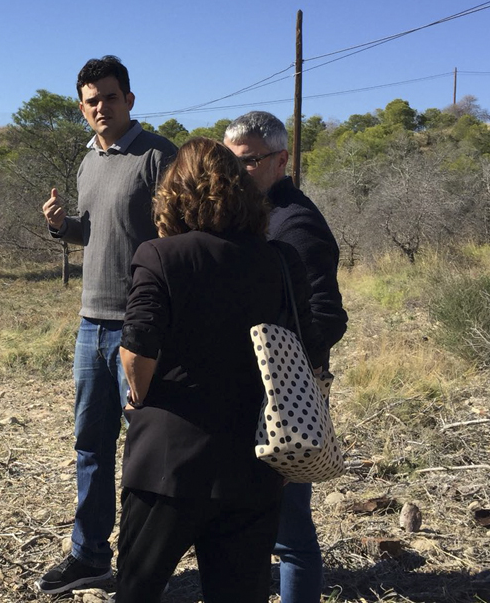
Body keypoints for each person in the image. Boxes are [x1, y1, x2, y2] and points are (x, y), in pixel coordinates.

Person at [116, 138, 325, 603]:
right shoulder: (281, 259)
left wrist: (139, 399)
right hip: (254, 461)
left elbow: (136, 349)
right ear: (243, 194)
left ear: (173, 195)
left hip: (167, 464)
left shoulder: (160, 255)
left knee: (138, 589)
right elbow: (310, 350)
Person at [37, 56, 177, 594]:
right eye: (92, 101)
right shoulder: (87, 162)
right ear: (82, 108)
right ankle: (90, 556)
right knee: (90, 446)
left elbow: (176, 236)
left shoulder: (158, 156)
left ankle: (147, 565)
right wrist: (61, 228)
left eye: (110, 98)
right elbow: (97, 233)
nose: (101, 107)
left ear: (130, 100)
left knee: (147, 452)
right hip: (89, 327)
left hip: (139, 329)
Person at [224, 111, 348, 603]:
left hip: (280, 397)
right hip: (254, 391)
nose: (237, 174)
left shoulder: (296, 222)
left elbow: (327, 318)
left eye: (249, 162)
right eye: (230, 163)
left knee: (290, 534)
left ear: (281, 160)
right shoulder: (254, 213)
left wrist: (290, 368)